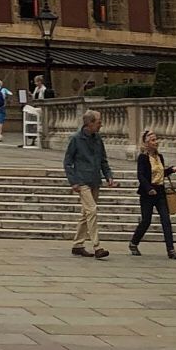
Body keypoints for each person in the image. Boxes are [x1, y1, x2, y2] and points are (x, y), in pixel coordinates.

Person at [63, 109, 113, 258]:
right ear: (89, 123)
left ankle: (78, 244)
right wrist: (73, 181)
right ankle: (97, 246)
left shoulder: (98, 139)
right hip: (82, 180)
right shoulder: (76, 139)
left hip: (94, 180)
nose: (101, 125)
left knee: (86, 214)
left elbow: (103, 160)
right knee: (92, 210)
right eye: (98, 122)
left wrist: (109, 176)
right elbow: (67, 162)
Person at [128, 128, 176, 260]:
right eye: (152, 140)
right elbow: (141, 175)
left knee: (166, 220)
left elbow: (161, 173)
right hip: (148, 193)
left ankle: (171, 249)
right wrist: (148, 188)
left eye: (155, 139)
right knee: (146, 220)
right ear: (146, 143)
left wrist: (170, 170)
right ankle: (134, 242)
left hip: (160, 192)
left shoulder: (159, 157)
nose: (155, 142)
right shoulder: (143, 157)